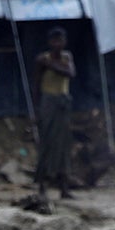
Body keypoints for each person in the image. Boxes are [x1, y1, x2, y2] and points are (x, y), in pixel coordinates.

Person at [32, 25, 76, 200]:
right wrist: (36, 110)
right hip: (48, 102)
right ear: (50, 42)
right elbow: (35, 84)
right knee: (47, 144)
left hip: (63, 102)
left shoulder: (65, 57)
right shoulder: (41, 59)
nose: (58, 43)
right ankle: (42, 186)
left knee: (64, 145)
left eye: (61, 40)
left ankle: (64, 187)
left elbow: (70, 72)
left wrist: (51, 65)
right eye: (55, 40)